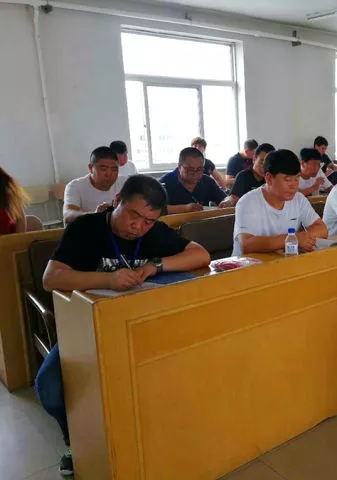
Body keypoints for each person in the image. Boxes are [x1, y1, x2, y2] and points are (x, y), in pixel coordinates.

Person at [35, 175, 210, 476]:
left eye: (149, 221)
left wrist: (155, 266)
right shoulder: (85, 229)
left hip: (140, 326)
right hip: (87, 330)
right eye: (133, 215)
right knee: (50, 387)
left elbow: (201, 254)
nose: (138, 226)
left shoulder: (154, 232)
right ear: (117, 202)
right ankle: (76, 442)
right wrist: (107, 280)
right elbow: (51, 279)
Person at [232, 149, 328, 256]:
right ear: (269, 178)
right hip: (248, 264)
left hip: (283, 261)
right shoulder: (248, 202)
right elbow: (246, 244)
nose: (294, 186)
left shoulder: (298, 199)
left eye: (297, 179)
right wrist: (293, 239)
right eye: (288, 180)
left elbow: (322, 229)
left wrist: (302, 238)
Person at [63, 146, 126, 225]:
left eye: (114, 169)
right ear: (90, 168)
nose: (109, 174)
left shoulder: (125, 183)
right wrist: (94, 215)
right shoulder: (75, 186)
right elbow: (68, 215)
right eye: (103, 169)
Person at [159, 147, 227, 214]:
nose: (195, 174)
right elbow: (156, 209)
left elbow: (224, 198)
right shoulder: (164, 183)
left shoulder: (207, 181)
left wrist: (227, 201)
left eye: (199, 169)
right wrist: (185, 208)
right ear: (179, 167)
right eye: (190, 169)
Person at [219, 143, 275, 207]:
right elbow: (234, 197)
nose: (264, 168)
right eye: (261, 163)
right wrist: (228, 201)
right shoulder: (243, 176)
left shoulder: (272, 177)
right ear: (254, 159)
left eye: (268, 164)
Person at [0, 167, 29, 234]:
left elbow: (20, 219)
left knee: (34, 222)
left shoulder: (8, 196)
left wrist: (19, 239)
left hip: (11, 238)